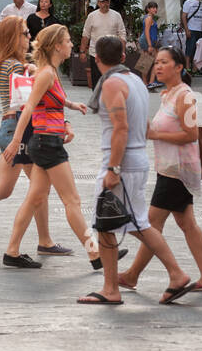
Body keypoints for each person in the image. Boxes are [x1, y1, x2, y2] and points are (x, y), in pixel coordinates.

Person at [80, 36, 192, 306]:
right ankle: (173, 274)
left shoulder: (111, 84)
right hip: (136, 157)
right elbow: (141, 124)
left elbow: (121, 128)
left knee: (111, 224)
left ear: (97, 59)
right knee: (136, 222)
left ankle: (112, 288)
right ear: (122, 57)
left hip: (123, 161)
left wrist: (113, 168)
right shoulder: (136, 82)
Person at [0, 16, 73, 256]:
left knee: (5, 189)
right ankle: (43, 242)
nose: (29, 37)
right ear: (13, 37)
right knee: (39, 189)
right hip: (19, 129)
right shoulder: (16, 66)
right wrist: (37, 70)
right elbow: (35, 101)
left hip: (10, 129)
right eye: (25, 34)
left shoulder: (12, 63)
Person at [117, 46, 202, 293]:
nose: (158, 66)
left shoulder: (185, 95)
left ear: (179, 67)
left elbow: (191, 134)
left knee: (150, 223)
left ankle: (136, 275)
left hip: (178, 170)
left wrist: (155, 134)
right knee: (187, 224)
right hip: (169, 168)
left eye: (164, 62)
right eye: (157, 63)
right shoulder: (167, 95)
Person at [1, 24, 96, 269]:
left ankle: (11, 252)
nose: (72, 45)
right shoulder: (46, 73)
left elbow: (54, 100)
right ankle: (97, 255)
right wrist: (15, 140)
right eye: (68, 40)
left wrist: (72, 108)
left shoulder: (50, 72)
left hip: (46, 141)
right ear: (57, 45)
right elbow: (29, 107)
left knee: (35, 198)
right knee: (72, 200)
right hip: (47, 144)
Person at [79, 0, 126, 88]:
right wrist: (82, 51)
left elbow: (122, 34)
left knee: (112, 80)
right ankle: (98, 101)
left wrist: (123, 51)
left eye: (107, 2)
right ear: (98, 3)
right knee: (97, 81)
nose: (105, 4)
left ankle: (110, 100)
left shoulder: (116, 15)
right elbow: (86, 35)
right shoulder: (92, 16)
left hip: (113, 53)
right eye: (102, 2)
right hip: (95, 53)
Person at [182, 0, 202, 71]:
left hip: (200, 30)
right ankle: (187, 68)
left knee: (199, 50)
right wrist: (186, 29)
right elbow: (184, 16)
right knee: (190, 49)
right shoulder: (188, 2)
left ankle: (195, 68)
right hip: (192, 29)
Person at [138, 0, 161, 88]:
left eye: (156, 8)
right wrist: (150, 45)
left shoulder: (147, 17)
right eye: (153, 8)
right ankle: (149, 82)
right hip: (148, 41)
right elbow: (147, 31)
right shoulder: (149, 18)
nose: (155, 9)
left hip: (148, 40)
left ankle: (146, 83)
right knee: (155, 60)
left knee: (145, 61)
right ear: (148, 9)